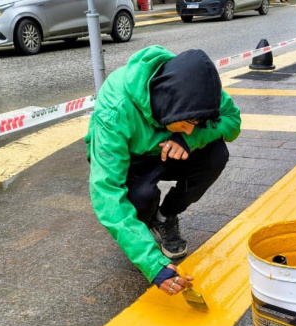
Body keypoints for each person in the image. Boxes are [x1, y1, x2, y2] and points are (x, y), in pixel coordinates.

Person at [85, 46, 241, 296]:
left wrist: (189, 139)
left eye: (197, 123)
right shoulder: (116, 107)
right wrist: (152, 264)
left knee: (216, 154)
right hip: (132, 160)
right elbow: (106, 191)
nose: (191, 128)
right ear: (168, 103)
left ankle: (166, 217)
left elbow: (233, 122)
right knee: (140, 199)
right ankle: (142, 228)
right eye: (189, 122)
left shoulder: (199, 86)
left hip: (171, 151)